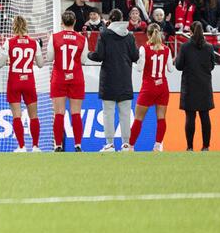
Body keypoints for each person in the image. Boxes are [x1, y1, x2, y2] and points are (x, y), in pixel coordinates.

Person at [88, 9, 139, 152]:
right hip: (124, 78)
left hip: (108, 78)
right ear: (123, 19)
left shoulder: (104, 34)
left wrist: (88, 54)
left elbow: (99, 55)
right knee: (125, 113)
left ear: (110, 19)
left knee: (108, 113)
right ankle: (125, 144)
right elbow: (135, 56)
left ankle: (109, 144)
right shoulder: (129, 36)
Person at [0, 15, 45, 152]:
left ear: (13, 26)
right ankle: (35, 146)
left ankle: (22, 146)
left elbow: (0, 64)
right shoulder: (34, 43)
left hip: (14, 81)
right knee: (34, 116)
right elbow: (41, 64)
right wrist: (39, 49)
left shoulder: (9, 42)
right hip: (29, 81)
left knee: (17, 115)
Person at [128, 24, 174, 152]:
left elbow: (139, 68)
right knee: (161, 117)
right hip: (162, 87)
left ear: (148, 35)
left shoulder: (144, 48)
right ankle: (158, 145)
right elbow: (170, 69)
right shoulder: (166, 49)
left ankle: (131, 146)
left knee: (138, 118)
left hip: (148, 86)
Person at [49, 11, 87, 152]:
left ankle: (58, 145)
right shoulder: (82, 38)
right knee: (76, 113)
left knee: (59, 113)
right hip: (76, 77)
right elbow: (84, 60)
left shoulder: (55, 37)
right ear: (75, 22)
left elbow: (49, 57)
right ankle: (78, 145)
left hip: (59, 77)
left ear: (62, 22)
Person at [174, 22, 216, 151]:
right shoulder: (209, 47)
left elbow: (179, 66)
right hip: (204, 85)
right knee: (205, 116)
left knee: (190, 117)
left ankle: (190, 147)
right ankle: (206, 146)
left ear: (190, 32)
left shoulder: (185, 47)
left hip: (190, 85)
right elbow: (212, 65)